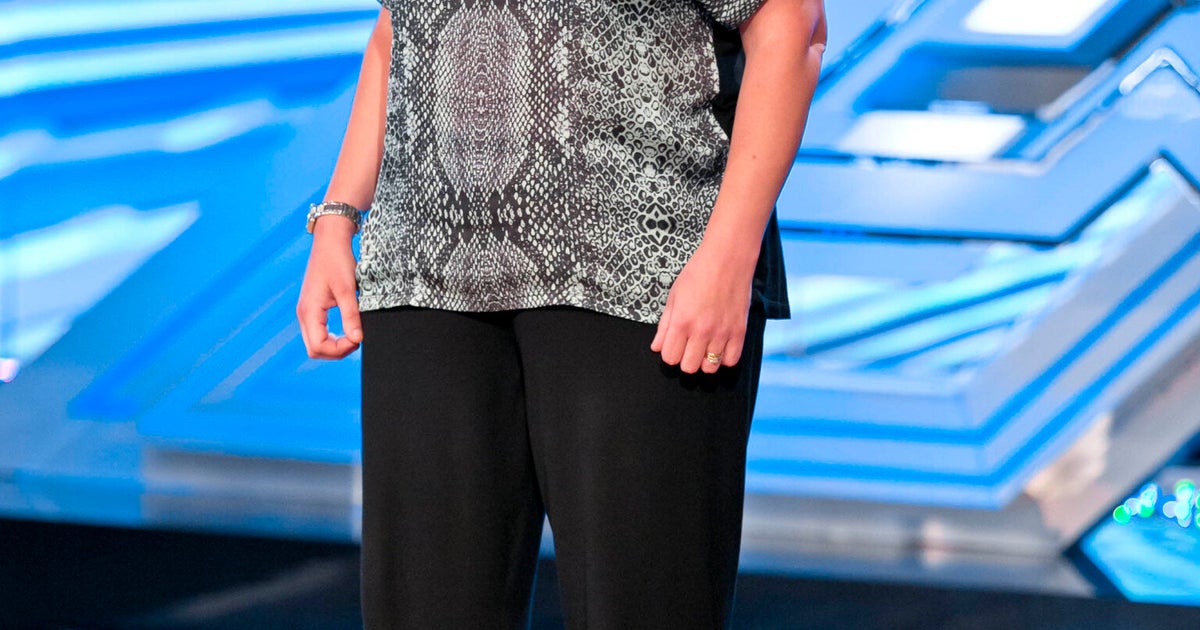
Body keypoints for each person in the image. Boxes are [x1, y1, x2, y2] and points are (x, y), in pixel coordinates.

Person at [297, 0, 826, 627]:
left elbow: (793, 27)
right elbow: (397, 31)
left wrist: (729, 258)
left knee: (642, 606)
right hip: (423, 264)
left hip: (637, 265)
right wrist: (338, 215)